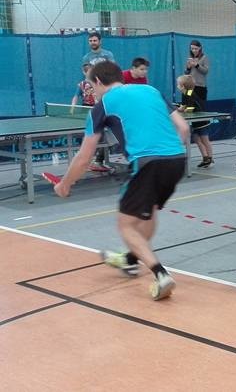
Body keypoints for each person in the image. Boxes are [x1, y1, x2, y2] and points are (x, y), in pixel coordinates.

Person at [54, 61, 190, 301]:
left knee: (126, 225)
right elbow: (184, 128)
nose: (92, 92)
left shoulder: (102, 106)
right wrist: (167, 152)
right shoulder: (151, 90)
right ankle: (130, 259)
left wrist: (65, 184)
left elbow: (84, 157)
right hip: (178, 158)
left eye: (91, 86)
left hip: (147, 163)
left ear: (98, 81)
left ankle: (161, 274)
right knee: (149, 211)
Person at [177, 74, 214, 168]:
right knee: (197, 140)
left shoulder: (189, 93)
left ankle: (210, 158)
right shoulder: (184, 94)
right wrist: (180, 108)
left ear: (183, 86)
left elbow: (190, 108)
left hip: (202, 121)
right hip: (194, 122)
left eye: (178, 84)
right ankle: (205, 158)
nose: (177, 86)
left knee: (205, 140)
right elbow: (184, 106)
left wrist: (182, 110)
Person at [184, 40, 210, 107]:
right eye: (192, 48)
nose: (194, 50)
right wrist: (188, 68)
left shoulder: (204, 58)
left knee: (200, 105)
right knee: (190, 104)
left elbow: (205, 71)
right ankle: (190, 112)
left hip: (200, 87)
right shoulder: (190, 58)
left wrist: (197, 65)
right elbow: (186, 73)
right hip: (190, 87)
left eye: (196, 49)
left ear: (200, 48)